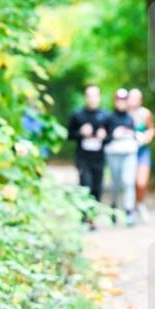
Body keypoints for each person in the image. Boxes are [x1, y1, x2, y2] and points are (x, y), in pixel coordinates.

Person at [67, 85, 108, 227]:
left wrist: (105, 136)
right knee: (85, 185)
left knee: (97, 188)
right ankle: (84, 215)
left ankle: (93, 217)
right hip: (83, 158)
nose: (92, 99)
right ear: (85, 97)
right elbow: (69, 135)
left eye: (95, 95)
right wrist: (80, 132)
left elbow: (111, 138)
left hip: (99, 158)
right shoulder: (77, 115)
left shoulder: (105, 115)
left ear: (99, 97)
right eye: (89, 95)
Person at [104, 88, 139, 227]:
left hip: (129, 153)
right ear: (115, 101)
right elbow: (103, 139)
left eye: (124, 100)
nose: (122, 103)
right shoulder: (108, 118)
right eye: (119, 100)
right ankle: (113, 208)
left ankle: (129, 211)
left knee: (128, 182)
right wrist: (113, 135)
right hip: (114, 154)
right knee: (116, 183)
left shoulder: (130, 118)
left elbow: (136, 136)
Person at [128, 88, 155, 223]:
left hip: (142, 151)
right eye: (131, 98)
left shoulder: (145, 113)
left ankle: (140, 203)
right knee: (129, 181)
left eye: (136, 98)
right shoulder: (124, 113)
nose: (133, 101)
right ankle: (130, 208)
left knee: (141, 181)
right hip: (128, 151)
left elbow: (151, 129)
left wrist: (147, 137)